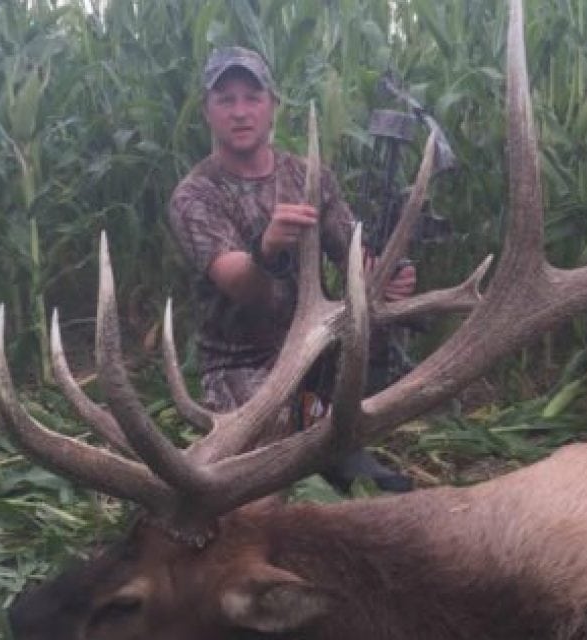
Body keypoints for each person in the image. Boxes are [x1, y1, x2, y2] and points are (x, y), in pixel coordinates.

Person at [167, 46, 416, 492]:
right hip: (241, 360)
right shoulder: (195, 196)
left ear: (273, 106)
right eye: (226, 100)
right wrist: (265, 249)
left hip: (318, 346)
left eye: (252, 97)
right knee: (277, 441)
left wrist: (387, 278)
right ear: (207, 111)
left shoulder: (308, 176)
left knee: (378, 338)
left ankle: (332, 431)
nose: (240, 112)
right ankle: (336, 451)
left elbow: (354, 256)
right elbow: (240, 285)